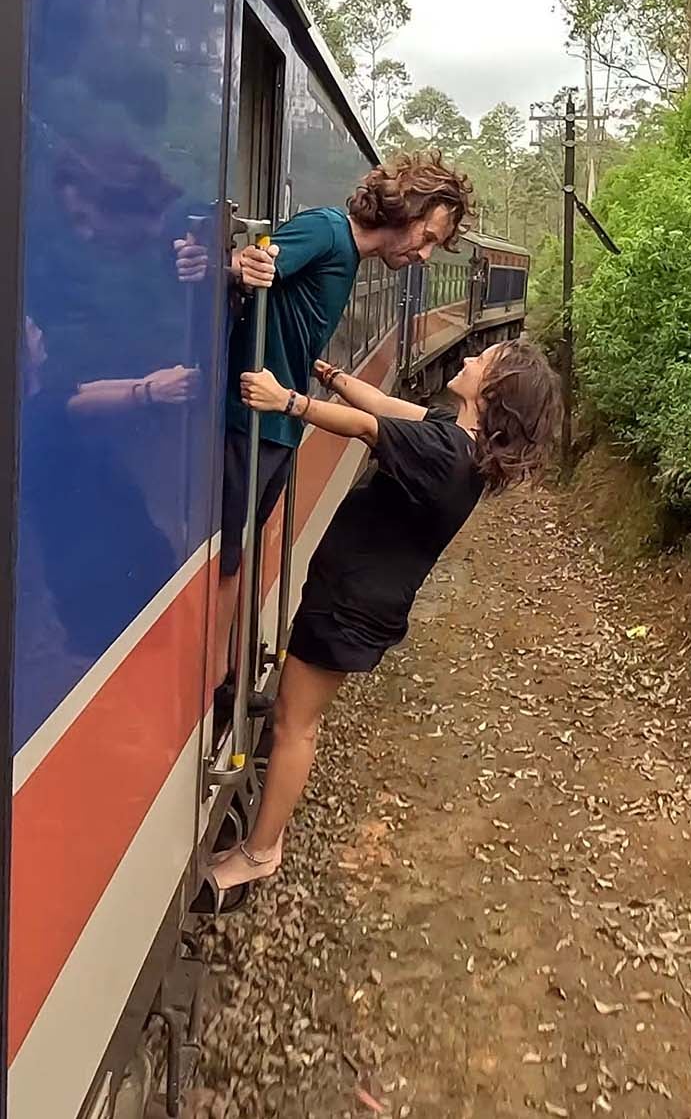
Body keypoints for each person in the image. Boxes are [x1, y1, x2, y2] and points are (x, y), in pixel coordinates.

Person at [206, 338, 560, 902]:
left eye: (481, 361)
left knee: (294, 725)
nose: (468, 361)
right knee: (296, 718)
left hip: (349, 608)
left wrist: (289, 401)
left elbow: (369, 429)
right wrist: (336, 376)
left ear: (492, 391)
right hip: (356, 602)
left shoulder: (443, 452)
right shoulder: (457, 442)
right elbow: (383, 408)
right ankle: (260, 846)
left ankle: (260, 852)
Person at [215, 152, 476, 679]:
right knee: (226, 558)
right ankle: (219, 681)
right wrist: (246, 266)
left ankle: (228, 674)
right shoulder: (327, 230)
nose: (425, 254)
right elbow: (258, 266)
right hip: (254, 421)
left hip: (274, 430)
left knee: (238, 553)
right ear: (405, 208)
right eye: (427, 236)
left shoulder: (348, 256)